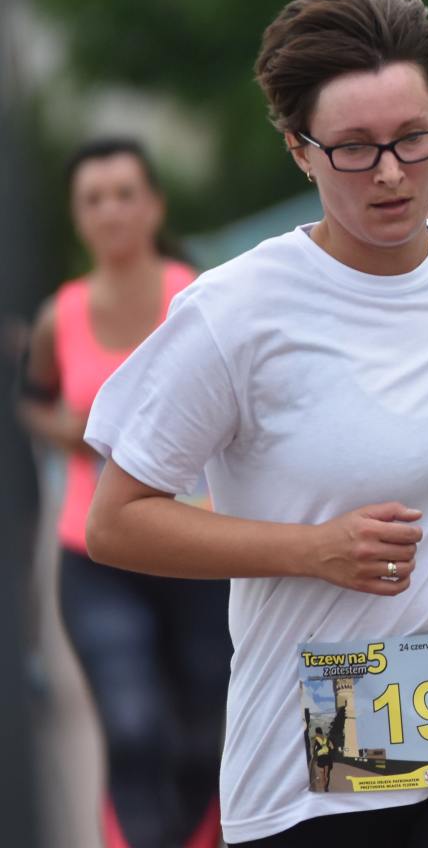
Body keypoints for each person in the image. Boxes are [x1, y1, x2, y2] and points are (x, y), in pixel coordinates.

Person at [81, 0, 428, 846]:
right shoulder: (235, 313)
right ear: (300, 150)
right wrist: (310, 550)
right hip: (311, 747)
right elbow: (116, 522)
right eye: (355, 148)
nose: (392, 172)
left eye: (413, 138)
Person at [16, 136, 230, 848]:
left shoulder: (199, 298)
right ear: (77, 216)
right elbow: (33, 403)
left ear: (154, 206)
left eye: (124, 195)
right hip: (97, 551)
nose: (111, 212)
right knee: (133, 725)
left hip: (198, 547)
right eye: (93, 199)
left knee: (204, 731)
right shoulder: (61, 315)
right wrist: (71, 431)